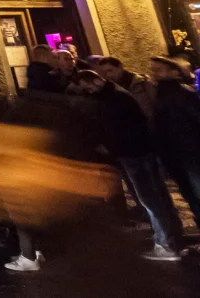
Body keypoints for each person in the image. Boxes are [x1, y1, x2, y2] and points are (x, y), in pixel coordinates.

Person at [71, 69, 184, 261]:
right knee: (158, 195)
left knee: (149, 199)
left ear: (94, 82)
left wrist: (110, 148)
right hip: (142, 151)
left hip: (133, 154)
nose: (88, 92)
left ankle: (165, 244)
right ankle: (173, 236)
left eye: (87, 87)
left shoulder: (113, 99)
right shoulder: (116, 94)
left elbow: (119, 130)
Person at [149, 56, 200, 231]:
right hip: (175, 156)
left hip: (191, 156)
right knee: (191, 197)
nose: (154, 73)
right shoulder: (158, 95)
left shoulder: (185, 95)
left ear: (175, 72)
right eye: (152, 69)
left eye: (158, 69)